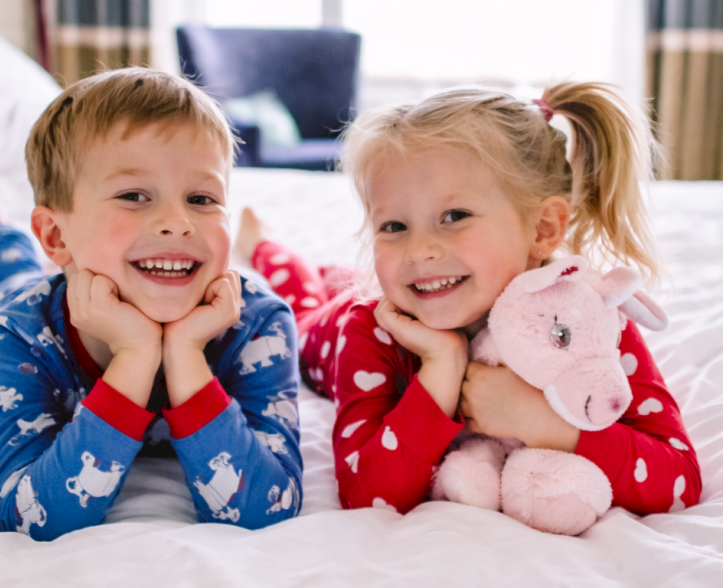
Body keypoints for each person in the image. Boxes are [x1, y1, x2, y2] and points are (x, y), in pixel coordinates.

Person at [234, 83, 701, 522]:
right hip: (330, 325)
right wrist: (440, 368)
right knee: (302, 304)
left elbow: (679, 478)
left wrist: (544, 424)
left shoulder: (588, 316)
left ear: (542, 229)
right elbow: (367, 493)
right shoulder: (370, 328)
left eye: (454, 217)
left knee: (338, 278)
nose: (418, 251)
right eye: (393, 227)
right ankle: (267, 248)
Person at [0, 68, 302, 541]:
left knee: (24, 273)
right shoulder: (15, 332)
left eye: (202, 198)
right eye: (134, 196)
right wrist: (134, 357)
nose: (177, 223)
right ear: (55, 234)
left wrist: (185, 356)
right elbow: (28, 515)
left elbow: (267, 507)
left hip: (63, 274)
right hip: (18, 298)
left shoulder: (257, 325)